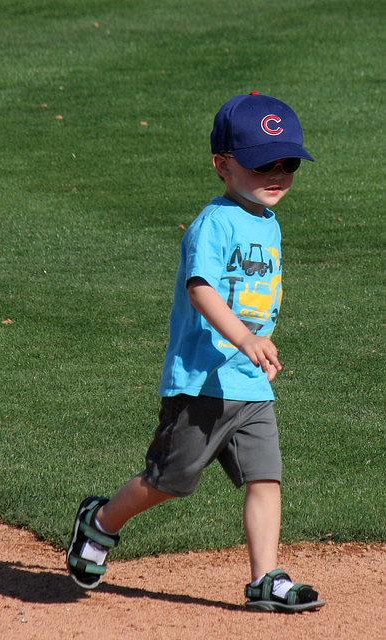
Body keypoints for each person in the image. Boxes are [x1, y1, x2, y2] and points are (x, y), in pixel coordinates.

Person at [66, 92, 326, 613]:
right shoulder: (214, 224)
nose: (277, 173)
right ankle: (99, 522)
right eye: (261, 164)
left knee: (265, 476)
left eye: (288, 163)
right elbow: (201, 289)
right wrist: (246, 338)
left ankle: (265, 578)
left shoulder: (267, 221)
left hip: (248, 384)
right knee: (168, 482)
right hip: (201, 383)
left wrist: (252, 349)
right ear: (223, 166)